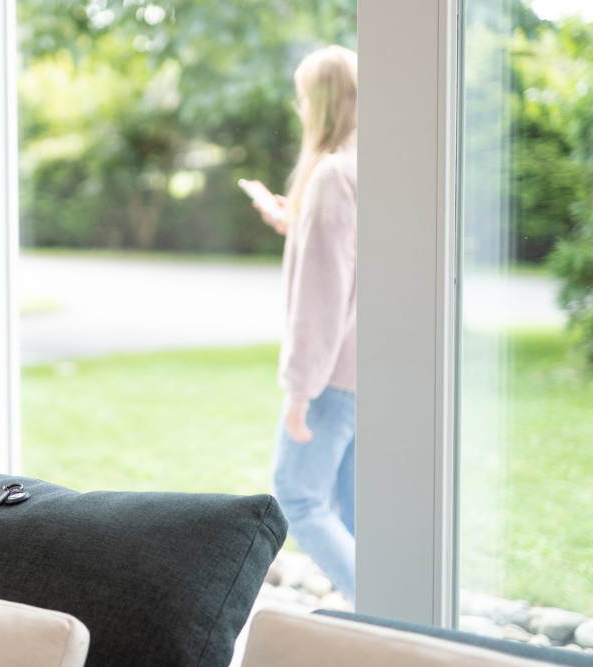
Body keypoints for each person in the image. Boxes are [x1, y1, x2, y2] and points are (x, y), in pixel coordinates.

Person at [253, 45, 358, 604]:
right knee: (354, 508)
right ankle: (389, 622)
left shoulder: (331, 175)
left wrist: (300, 390)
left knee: (297, 497)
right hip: (363, 368)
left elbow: (323, 295)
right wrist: (294, 221)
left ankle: (383, 609)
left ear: (319, 103)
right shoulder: (363, 168)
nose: (297, 108)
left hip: (332, 374)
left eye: (301, 97)